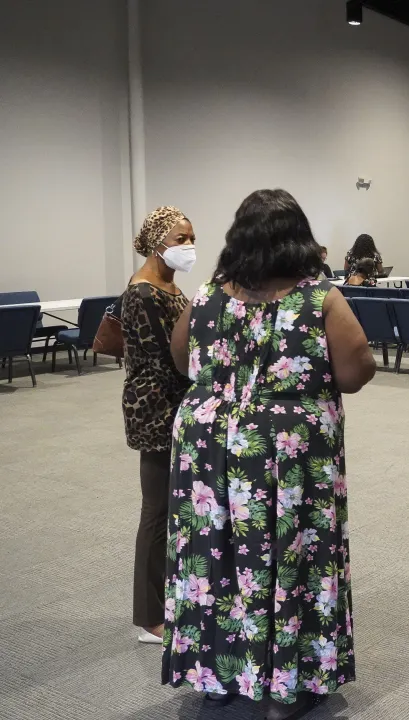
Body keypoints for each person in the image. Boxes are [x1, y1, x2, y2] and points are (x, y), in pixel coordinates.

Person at [166, 188, 374, 717]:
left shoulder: (208, 296)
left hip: (208, 446)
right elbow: (354, 372)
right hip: (285, 451)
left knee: (215, 553)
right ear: (298, 238)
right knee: (290, 554)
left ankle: (218, 673)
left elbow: (182, 358)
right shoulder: (318, 298)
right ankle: (288, 685)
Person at [121, 206, 196, 646]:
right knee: (156, 511)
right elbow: (165, 359)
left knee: (173, 507)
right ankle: (150, 617)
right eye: (181, 238)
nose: (189, 246)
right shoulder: (144, 293)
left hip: (178, 403)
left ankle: (171, 598)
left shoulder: (170, 287)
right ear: (157, 241)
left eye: (191, 237)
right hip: (156, 409)